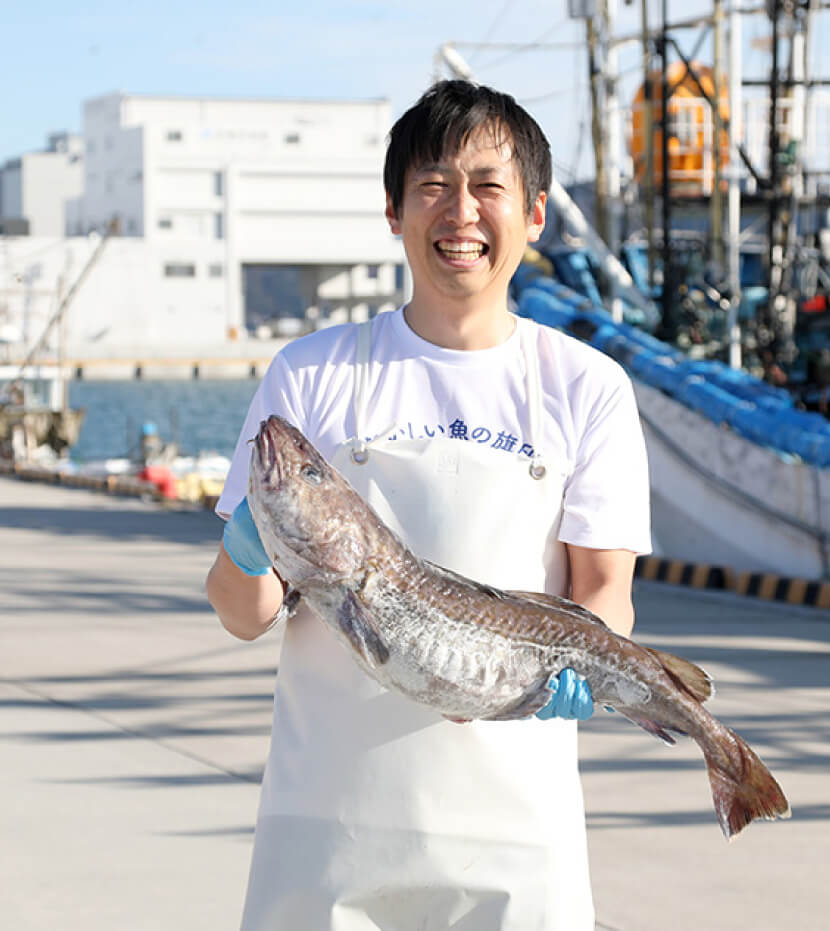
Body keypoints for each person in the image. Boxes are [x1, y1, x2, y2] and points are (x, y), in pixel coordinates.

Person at [206, 79, 651, 931]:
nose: (461, 212)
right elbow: (239, 613)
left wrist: (586, 666)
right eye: (433, 186)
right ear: (393, 210)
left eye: (488, 186)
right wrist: (254, 539)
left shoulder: (585, 386)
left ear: (535, 214)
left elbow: (606, 590)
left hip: (520, 824)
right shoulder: (314, 373)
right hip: (325, 823)